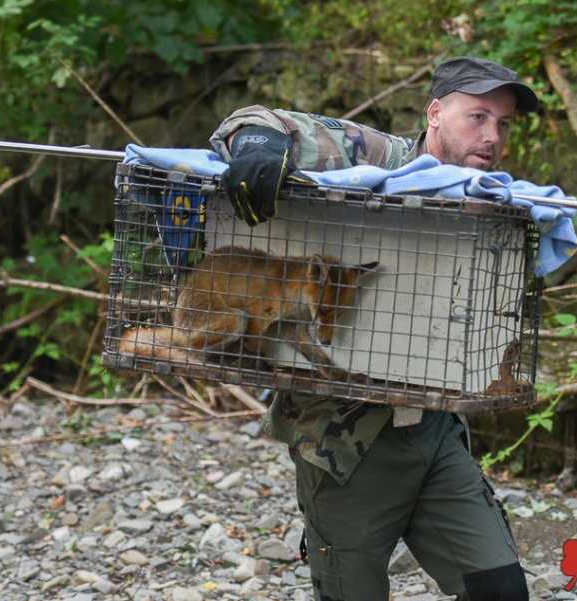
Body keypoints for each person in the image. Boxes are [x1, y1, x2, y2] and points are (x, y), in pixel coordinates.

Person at [210, 56, 537, 601]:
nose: (492, 135)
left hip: (435, 432)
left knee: (500, 589)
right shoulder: (378, 157)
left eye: (503, 124)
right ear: (435, 113)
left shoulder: (489, 198)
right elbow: (253, 120)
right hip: (345, 446)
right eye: (477, 117)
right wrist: (255, 147)